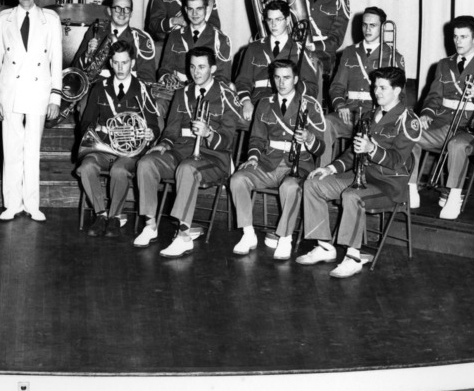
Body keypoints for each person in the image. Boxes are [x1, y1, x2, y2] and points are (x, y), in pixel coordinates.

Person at [296, 66, 420, 278]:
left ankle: (353, 257)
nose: (376, 92)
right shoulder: (371, 114)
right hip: (361, 176)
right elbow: (354, 152)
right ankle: (325, 246)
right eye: (375, 87)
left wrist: (372, 149)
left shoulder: (408, 121)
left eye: (382, 88)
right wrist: (330, 168)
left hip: (388, 185)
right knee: (313, 184)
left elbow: (398, 161)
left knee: (352, 195)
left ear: (398, 90)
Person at [133, 47, 245, 254]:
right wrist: (164, 144)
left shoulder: (225, 95)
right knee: (146, 163)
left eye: (202, 67)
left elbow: (228, 140)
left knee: (187, 168)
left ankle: (184, 236)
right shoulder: (181, 93)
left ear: (213, 68)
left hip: (214, 158)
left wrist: (209, 133)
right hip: (180, 152)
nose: (196, 72)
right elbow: (171, 130)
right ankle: (150, 225)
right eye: (192, 67)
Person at [227, 59, 326, 260]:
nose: (281, 83)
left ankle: (285, 238)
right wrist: (253, 157)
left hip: (298, 165)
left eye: (287, 78)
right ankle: (248, 234)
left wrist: (308, 138)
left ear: (296, 79)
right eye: (277, 77)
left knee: (289, 188)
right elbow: (256, 138)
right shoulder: (264, 103)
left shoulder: (310, 105)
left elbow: (321, 148)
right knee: (237, 179)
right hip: (267, 163)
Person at [410, 15, 474, 219]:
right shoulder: (444, 64)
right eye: (455, 37)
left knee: (457, 145)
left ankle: (454, 196)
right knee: (410, 134)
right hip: (443, 124)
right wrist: (426, 115)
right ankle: (411, 189)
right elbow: (432, 98)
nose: (458, 42)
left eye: (464, 37)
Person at [0, 0, 63, 220]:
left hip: (39, 90)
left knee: (32, 149)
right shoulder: (3, 18)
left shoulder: (50, 19)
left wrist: (55, 97)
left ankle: (32, 205)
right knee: (11, 148)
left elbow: (56, 59)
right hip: (9, 90)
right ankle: (12, 204)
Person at [76, 41, 160, 237]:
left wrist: (150, 133)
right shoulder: (99, 87)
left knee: (119, 170)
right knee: (87, 166)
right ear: (110, 64)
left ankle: (114, 217)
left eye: (125, 62)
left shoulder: (142, 89)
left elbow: (153, 124)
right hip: (104, 147)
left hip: (131, 151)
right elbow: (86, 122)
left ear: (132, 63)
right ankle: (100, 215)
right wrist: (100, 132)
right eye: (116, 63)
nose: (121, 68)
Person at [323, 7, 404, 163]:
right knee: (327, 123)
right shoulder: (349, 52)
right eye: (364, 25)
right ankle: (324, 171)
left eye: (372, 25)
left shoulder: (394, 57)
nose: (367, 29)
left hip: (376, 114)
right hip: (350, 112)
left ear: (382, 27)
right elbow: (337, 86)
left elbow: (401, 95)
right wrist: (340, 105)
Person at [233, 0, 319, 123]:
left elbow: (312, 88)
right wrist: (246, 101)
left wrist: (294, 90)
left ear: (288, 20)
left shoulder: (299, 50)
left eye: (278, 20)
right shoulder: (254, 48)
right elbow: (242, 81)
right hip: (257, 102)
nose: (273, 25)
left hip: (288, 104)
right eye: (270, 20)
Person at [72, 0, 155, 86]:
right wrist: (87, 54)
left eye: (127, 9)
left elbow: (148, 79)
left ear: (131, 13)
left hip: (127, 93)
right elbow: (75, 69)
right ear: (109, 11)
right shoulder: (96, 30)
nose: (122, 13)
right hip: (95, 90)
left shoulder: (141, 40)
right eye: (117, 8)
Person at [157, 0, 232, 85]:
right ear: (185, 10)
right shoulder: (175, 35)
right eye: (190, 9)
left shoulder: (221, 39)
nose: (194, 13)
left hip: (207, 91)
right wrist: (166, 77)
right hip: (177, 89)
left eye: (199, 9)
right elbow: (164, 69)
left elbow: (223, 77)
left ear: (207, 9)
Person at [302, 0, 350, 77]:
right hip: (296, 48)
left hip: (323, 54)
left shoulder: (339, 0)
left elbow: (337, 38)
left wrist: (314, 46)